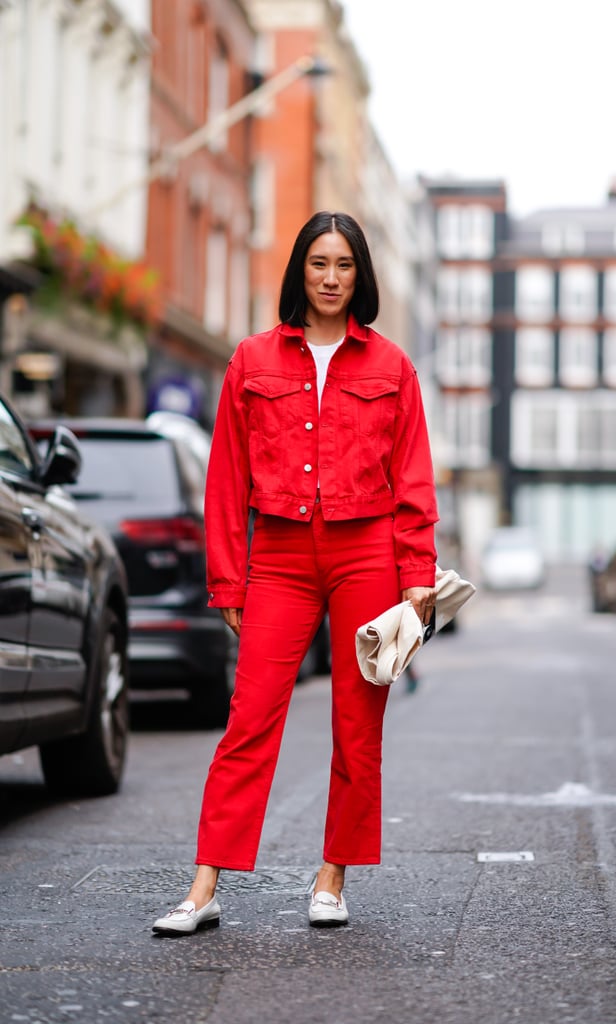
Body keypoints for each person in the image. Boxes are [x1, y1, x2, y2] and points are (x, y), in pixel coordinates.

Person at [152, 211, 438, 934]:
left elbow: (412, 480)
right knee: (248, 719)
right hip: (278, 556)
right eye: (319, 264)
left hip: (365, 552)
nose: (331, 278)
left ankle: (332, 877)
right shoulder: (250, 361)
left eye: (343, 265)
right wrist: (228, 579)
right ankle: (204, 885)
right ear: (299, 272)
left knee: (356, 721)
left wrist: (416, 577)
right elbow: (225, 479)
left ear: (360, 274)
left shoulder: (391, 367)